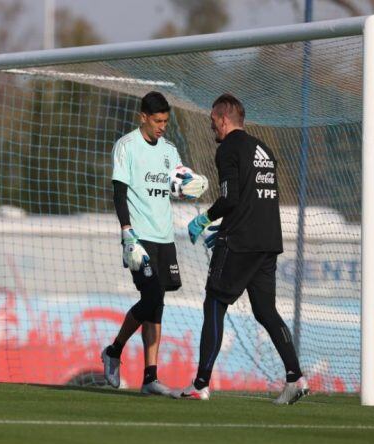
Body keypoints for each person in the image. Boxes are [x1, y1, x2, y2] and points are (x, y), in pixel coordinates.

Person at [174, 93, 309, 404]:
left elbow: (231, 198)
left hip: (241, 242)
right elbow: (254, 199)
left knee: (215, 303)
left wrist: (207, 220)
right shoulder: (263, 149)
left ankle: (200, 384)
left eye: (212, 124)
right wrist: (225, 226)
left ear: (223, 119)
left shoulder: (228, 150)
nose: (212, 131)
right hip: (267, 242)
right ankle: (295, 377)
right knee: (265, 311)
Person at [101, 91, 207, 396]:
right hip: (139, 237)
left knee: (157, 305)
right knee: (150, 299)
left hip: (165, 238)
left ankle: (149, 378)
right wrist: (126, 233)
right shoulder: (126, 146)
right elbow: (118, 193)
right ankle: (114, 351)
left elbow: (177, 188)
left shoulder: (170, 151)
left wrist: (191, 188)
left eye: (165, 121)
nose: (162, 126)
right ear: (143, 117)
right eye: (157, 120)